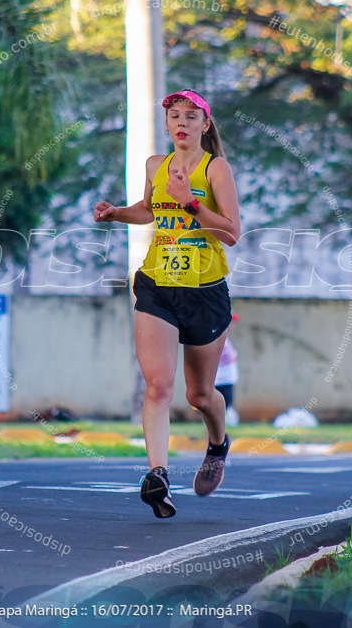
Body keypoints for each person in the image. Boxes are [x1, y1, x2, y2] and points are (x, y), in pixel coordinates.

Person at [94, 89, 241, 518]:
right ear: (167, 124)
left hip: (206, 290)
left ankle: (218, 442)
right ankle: (158, 473)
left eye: (190, 116)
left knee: (199, 394)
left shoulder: (217, 169)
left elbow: (232, 232)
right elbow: (148, 209)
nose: (181, 122)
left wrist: (191, 204)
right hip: (157, 283)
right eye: (174, 115)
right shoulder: (156, 166)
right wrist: (116, 213)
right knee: (158, 386)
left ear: (204, 124)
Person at [216, 314, 240, 427]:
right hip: (221, 379)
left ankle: (223, 423)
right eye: (231, 322)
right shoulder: (220, 339)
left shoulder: (226, 340)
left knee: (227, 403)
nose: (232, 325)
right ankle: (220, 423)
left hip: (227, 379)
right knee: (222, 403)